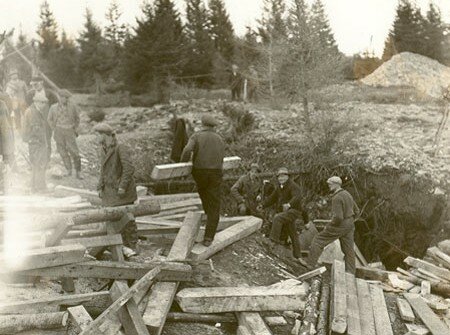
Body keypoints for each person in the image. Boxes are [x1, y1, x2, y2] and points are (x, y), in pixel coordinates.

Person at [94, 123, 138, 257]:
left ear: (104, 135)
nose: (95, 137)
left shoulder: (120, 148)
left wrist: (123, 187)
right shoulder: (102, 149)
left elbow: (129, 169)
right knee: (111, 221)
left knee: (128, 220)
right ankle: (116, 247)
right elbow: (103, 170)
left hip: (121, 192)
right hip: (109, 192)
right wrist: (100, 186)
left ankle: (131, 247)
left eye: (97, 134)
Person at [181, 114, 225, 247]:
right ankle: (208, 237)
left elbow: (187, 149)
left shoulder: (196, 136)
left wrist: (183, 164)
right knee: (214, 204)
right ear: (213, 126)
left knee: (204, 194)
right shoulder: (219, 138)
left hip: (199, 172)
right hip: (216, 172)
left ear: (203, 124)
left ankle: (207, 220)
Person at [307, 176, 359, 274]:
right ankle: (350, 272)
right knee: (348, 249)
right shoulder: (347, 194)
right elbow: (357, 211)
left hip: (341, 224)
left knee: (318, 240)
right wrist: (350, 221)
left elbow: (338, 217)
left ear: (336, 184)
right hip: (350, 224)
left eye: (330, 184)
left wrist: (330, 225)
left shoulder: (336, 197)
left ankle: (310, 264)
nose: (329, 186)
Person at [260, 167, 309, 263]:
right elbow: (272, 198)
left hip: (294, 211)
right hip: (287, 212)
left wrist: (289, 204)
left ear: (287, 176)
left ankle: (273, 242)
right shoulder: (279, 187)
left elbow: (297, 197)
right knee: (292, 232)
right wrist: (263, 205)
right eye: (279, 177)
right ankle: (298, 256)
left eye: (283, 176)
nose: (280, 178)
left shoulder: (293, 186)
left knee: (278, 218)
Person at [48, 89, 82, 179]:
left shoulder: (72, 107)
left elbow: (77, 118)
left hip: (69, 130)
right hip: (58, 131)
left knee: (74, 151)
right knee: (62, 151)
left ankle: (78, 172)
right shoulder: (53, 107)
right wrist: (54, 128)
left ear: (67, 99)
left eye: (65, 98)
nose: (63, 99)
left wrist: (74, 128)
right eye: (61, 97)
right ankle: (69, 170)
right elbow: (49, 119)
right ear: (58, 98)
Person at [22, 94, 50, 193]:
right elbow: (25, 128)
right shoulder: (30, 112)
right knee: (38, 164)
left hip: (40, 142)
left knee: (38, 164)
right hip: (35, 143)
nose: (44, 105)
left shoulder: (39, 111)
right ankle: (39, 188)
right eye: (42, 103)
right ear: (36, 102)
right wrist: (28, 140)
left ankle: (35, 186)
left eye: (45, 103)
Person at [26, 76, 55, 162]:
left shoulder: (50, 94)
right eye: (33, 85)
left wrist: (53, 121)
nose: (34, 86)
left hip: (47, 121)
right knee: (35, 141)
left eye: (36, 84)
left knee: (47, 141)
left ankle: (46, 160)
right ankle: (35, 161)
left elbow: (55, 107)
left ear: (42, 83)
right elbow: (28, 108)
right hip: (35, 122)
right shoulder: (29, 95)